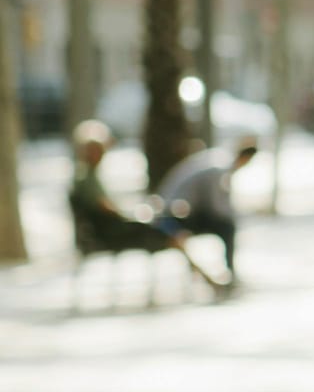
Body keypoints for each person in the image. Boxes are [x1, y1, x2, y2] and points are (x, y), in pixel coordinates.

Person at [68, 122, 223, 288]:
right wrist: (130, 214)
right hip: (112, 233)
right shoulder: (86, 178)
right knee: (169, 231)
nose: (103, 153)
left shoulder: (87, 176)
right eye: (98, 150)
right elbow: (105, 208)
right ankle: (205, 277)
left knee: (167, 227)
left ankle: (204, 275)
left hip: (112, 229)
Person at [157, 138, 258, 281]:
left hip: (178, 207)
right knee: (227, 227)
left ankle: (227, 273)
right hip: (175, 212)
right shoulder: (219, 169)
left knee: (225, 224)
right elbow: (216, 206)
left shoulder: (217, 159)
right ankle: (230, 273)